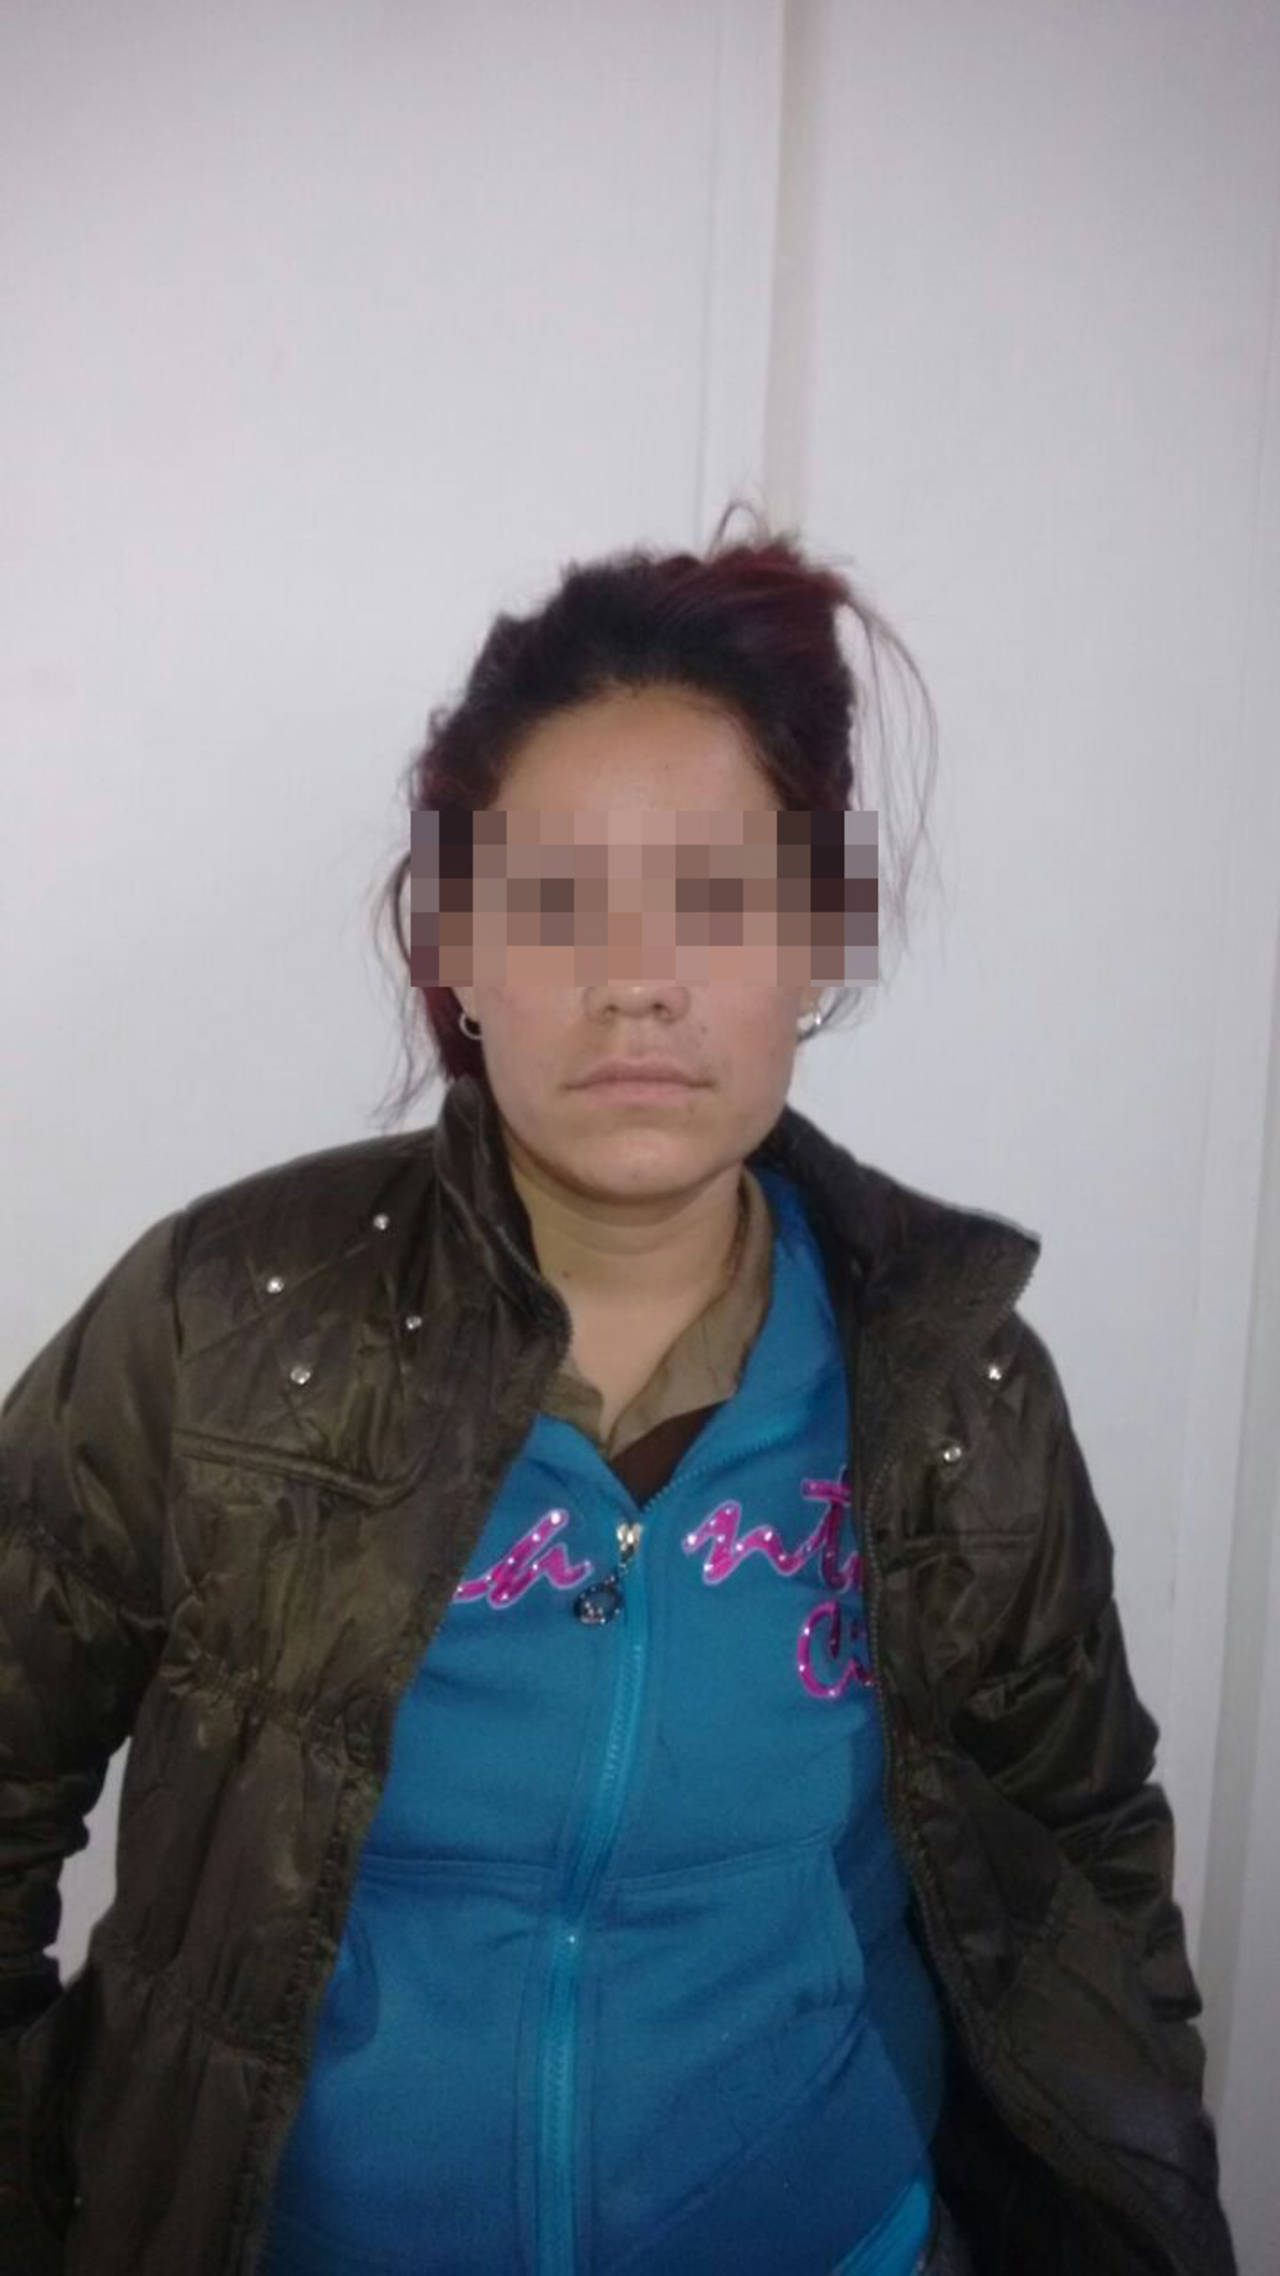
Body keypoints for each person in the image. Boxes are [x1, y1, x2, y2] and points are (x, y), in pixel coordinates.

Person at [0, 506, 1236, 2276]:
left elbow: (1087, 1859)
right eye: (558, 899)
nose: (639, 978)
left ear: (817, 947)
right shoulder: (226, 1325)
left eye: (719, 897)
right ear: (456, 947)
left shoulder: (951, 1383)